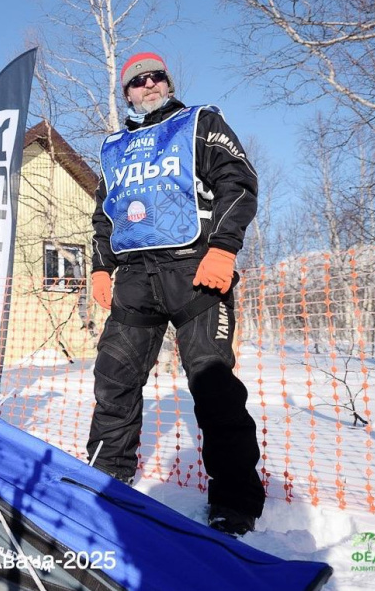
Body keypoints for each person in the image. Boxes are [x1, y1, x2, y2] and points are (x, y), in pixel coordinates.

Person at [87, 52, 265, 536]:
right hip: (134, 279)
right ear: (127, 93)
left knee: (213, 386)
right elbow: (105, 213)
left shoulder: (198, 123)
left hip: (194, 271)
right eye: (137, 81)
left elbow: (238, 182)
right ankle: (106, 480)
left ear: (167, 82)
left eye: (156, 77)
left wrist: (224, 248)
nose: (148, 84)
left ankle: (234, 505)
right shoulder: (114, 148)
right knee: (113, 382)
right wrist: (101, 266)